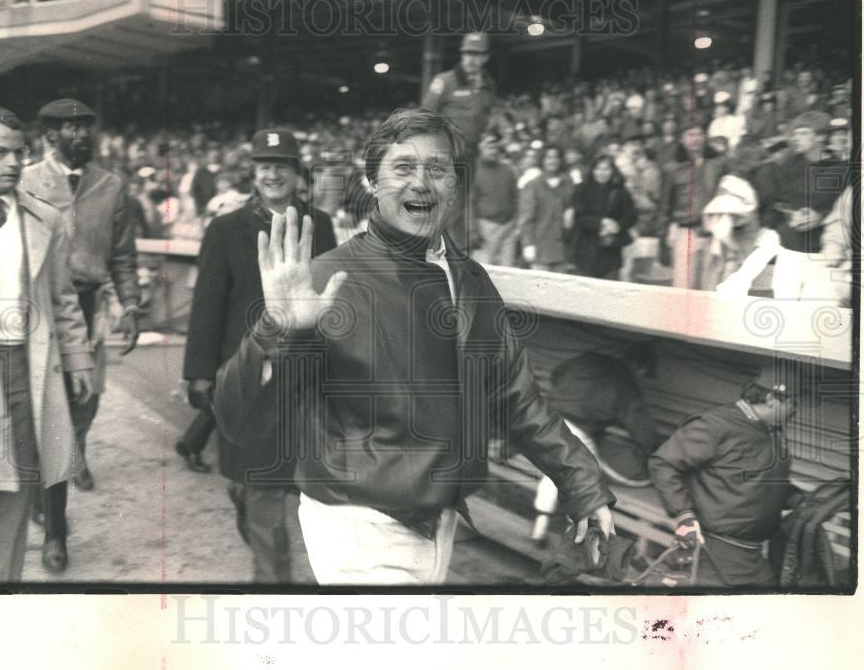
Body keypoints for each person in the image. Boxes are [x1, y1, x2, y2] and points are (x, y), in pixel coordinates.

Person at [213, 108, 615, 584]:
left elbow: (515, 397)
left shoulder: (469, 278)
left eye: (437, 169)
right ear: (371, 182)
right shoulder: (327, 277)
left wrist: (582, 485)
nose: (421, 183)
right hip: (357, 524)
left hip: (437, 520)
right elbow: (238, 413)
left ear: (454, 184)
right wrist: (276, 329)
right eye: (403, 168)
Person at [182, 127, 337, 582]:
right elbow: (207, 305)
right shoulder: (227, 228)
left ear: (297, 173)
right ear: (253, 172)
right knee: (247, 489)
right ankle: (269, 565)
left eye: (282, 165)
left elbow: (333, 296)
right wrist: (199, 373)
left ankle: (274, 590)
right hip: (245, 375)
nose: (273, 174)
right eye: (264, 165)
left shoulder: (319, 224)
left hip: (304, 376)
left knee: (265, 493)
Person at [0, 107, 94, 581]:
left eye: (20, 152)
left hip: (28, 367)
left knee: (18, 487)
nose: (13, 162)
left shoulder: (45, 218)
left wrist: (78, 361)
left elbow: (63, 298)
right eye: (0, 152)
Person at [20, 98, 141, 573]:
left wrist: (130, 304)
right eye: (72, 128)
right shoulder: (26, 180)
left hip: (88, 307)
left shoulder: (111, 186)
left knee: (85, 402)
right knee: (49, 413)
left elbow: (125, 255)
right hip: (36, 309)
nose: (83, 135)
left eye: (87, 127)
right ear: (49, 136)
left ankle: (73, 460)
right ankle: (54, 528)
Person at [649, 364, 806, 586]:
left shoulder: (771, 431)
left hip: (751, 555)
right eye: (793, 402)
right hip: (716, 551)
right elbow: (664, 463)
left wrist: (799, 498)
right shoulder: (715, 425)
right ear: (773, 399)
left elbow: (760, 482)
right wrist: (683, 515)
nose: (795, 410)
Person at [531, 344, 660, 541]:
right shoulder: (626, 383)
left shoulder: (587, 359)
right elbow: (640, 425)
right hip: (576, 430)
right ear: (640, 368)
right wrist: (654, 452)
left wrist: (566, 394)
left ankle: (539, 529)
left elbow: (558, 373)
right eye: (643, 374)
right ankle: (574, 537)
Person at [754, 110, 850, 298]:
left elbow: (844, 209)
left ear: (821, 137)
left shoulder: (841, 169)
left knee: (812, 312)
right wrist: (791, 214)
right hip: (789, 250)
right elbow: (777, 202)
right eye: (795, 133)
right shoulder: (788, 166)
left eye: (804, 133)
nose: (796, 138)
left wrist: (820, 216)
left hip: (821, 255)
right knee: (783, 307)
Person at [421, 32, 497, 253]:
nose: (471, 59)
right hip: (445, 152)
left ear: (485, 57)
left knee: (461, 204)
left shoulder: (488, 85)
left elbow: (485, 117)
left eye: (477, 54)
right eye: (467, 54)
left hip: (470, 154)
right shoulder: (445, 81)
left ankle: (455, 253)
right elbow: (425, 115)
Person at [659, 125, 727, 289]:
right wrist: (662, 237)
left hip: (714, 232)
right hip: (685, 231)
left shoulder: (718, 165)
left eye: (699, 134)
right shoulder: (672, 168)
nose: (695, 139)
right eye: (690, 134)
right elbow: (665, 205)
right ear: (682, 139)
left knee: (710, 289)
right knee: (684, 289)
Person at [568, 155, 637, 280]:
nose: (602, 173)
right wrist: (601, 222)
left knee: (609, 290)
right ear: (593, 170)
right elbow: (579, 217)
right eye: (598, 169)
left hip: (610, 249)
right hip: (586, 248)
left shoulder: (620, 191)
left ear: (612, 171)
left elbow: (631, 217)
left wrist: (617, 226)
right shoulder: (582, 189)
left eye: (606, 169)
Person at [518, 145, 575, 272]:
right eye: (548, 157)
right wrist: (528, 244)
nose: (552, 161)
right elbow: (526, 219)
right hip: (541, 247)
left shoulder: (568, 182)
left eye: (556, 157)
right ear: (542, 160)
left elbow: (571, 207)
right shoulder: (533, 185)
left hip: (562, 248)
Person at [470, 133, 519, 266]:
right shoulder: (473, 171)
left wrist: (516, 223)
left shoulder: (508, 170)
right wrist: (473, 230)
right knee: (483, 269)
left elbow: (515, 197)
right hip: (485, 227)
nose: (493, 151)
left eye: (495, 148)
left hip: (508, 225)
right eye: (489, 147)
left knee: (509, 269)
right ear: (480, 148)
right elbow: (469, 204)